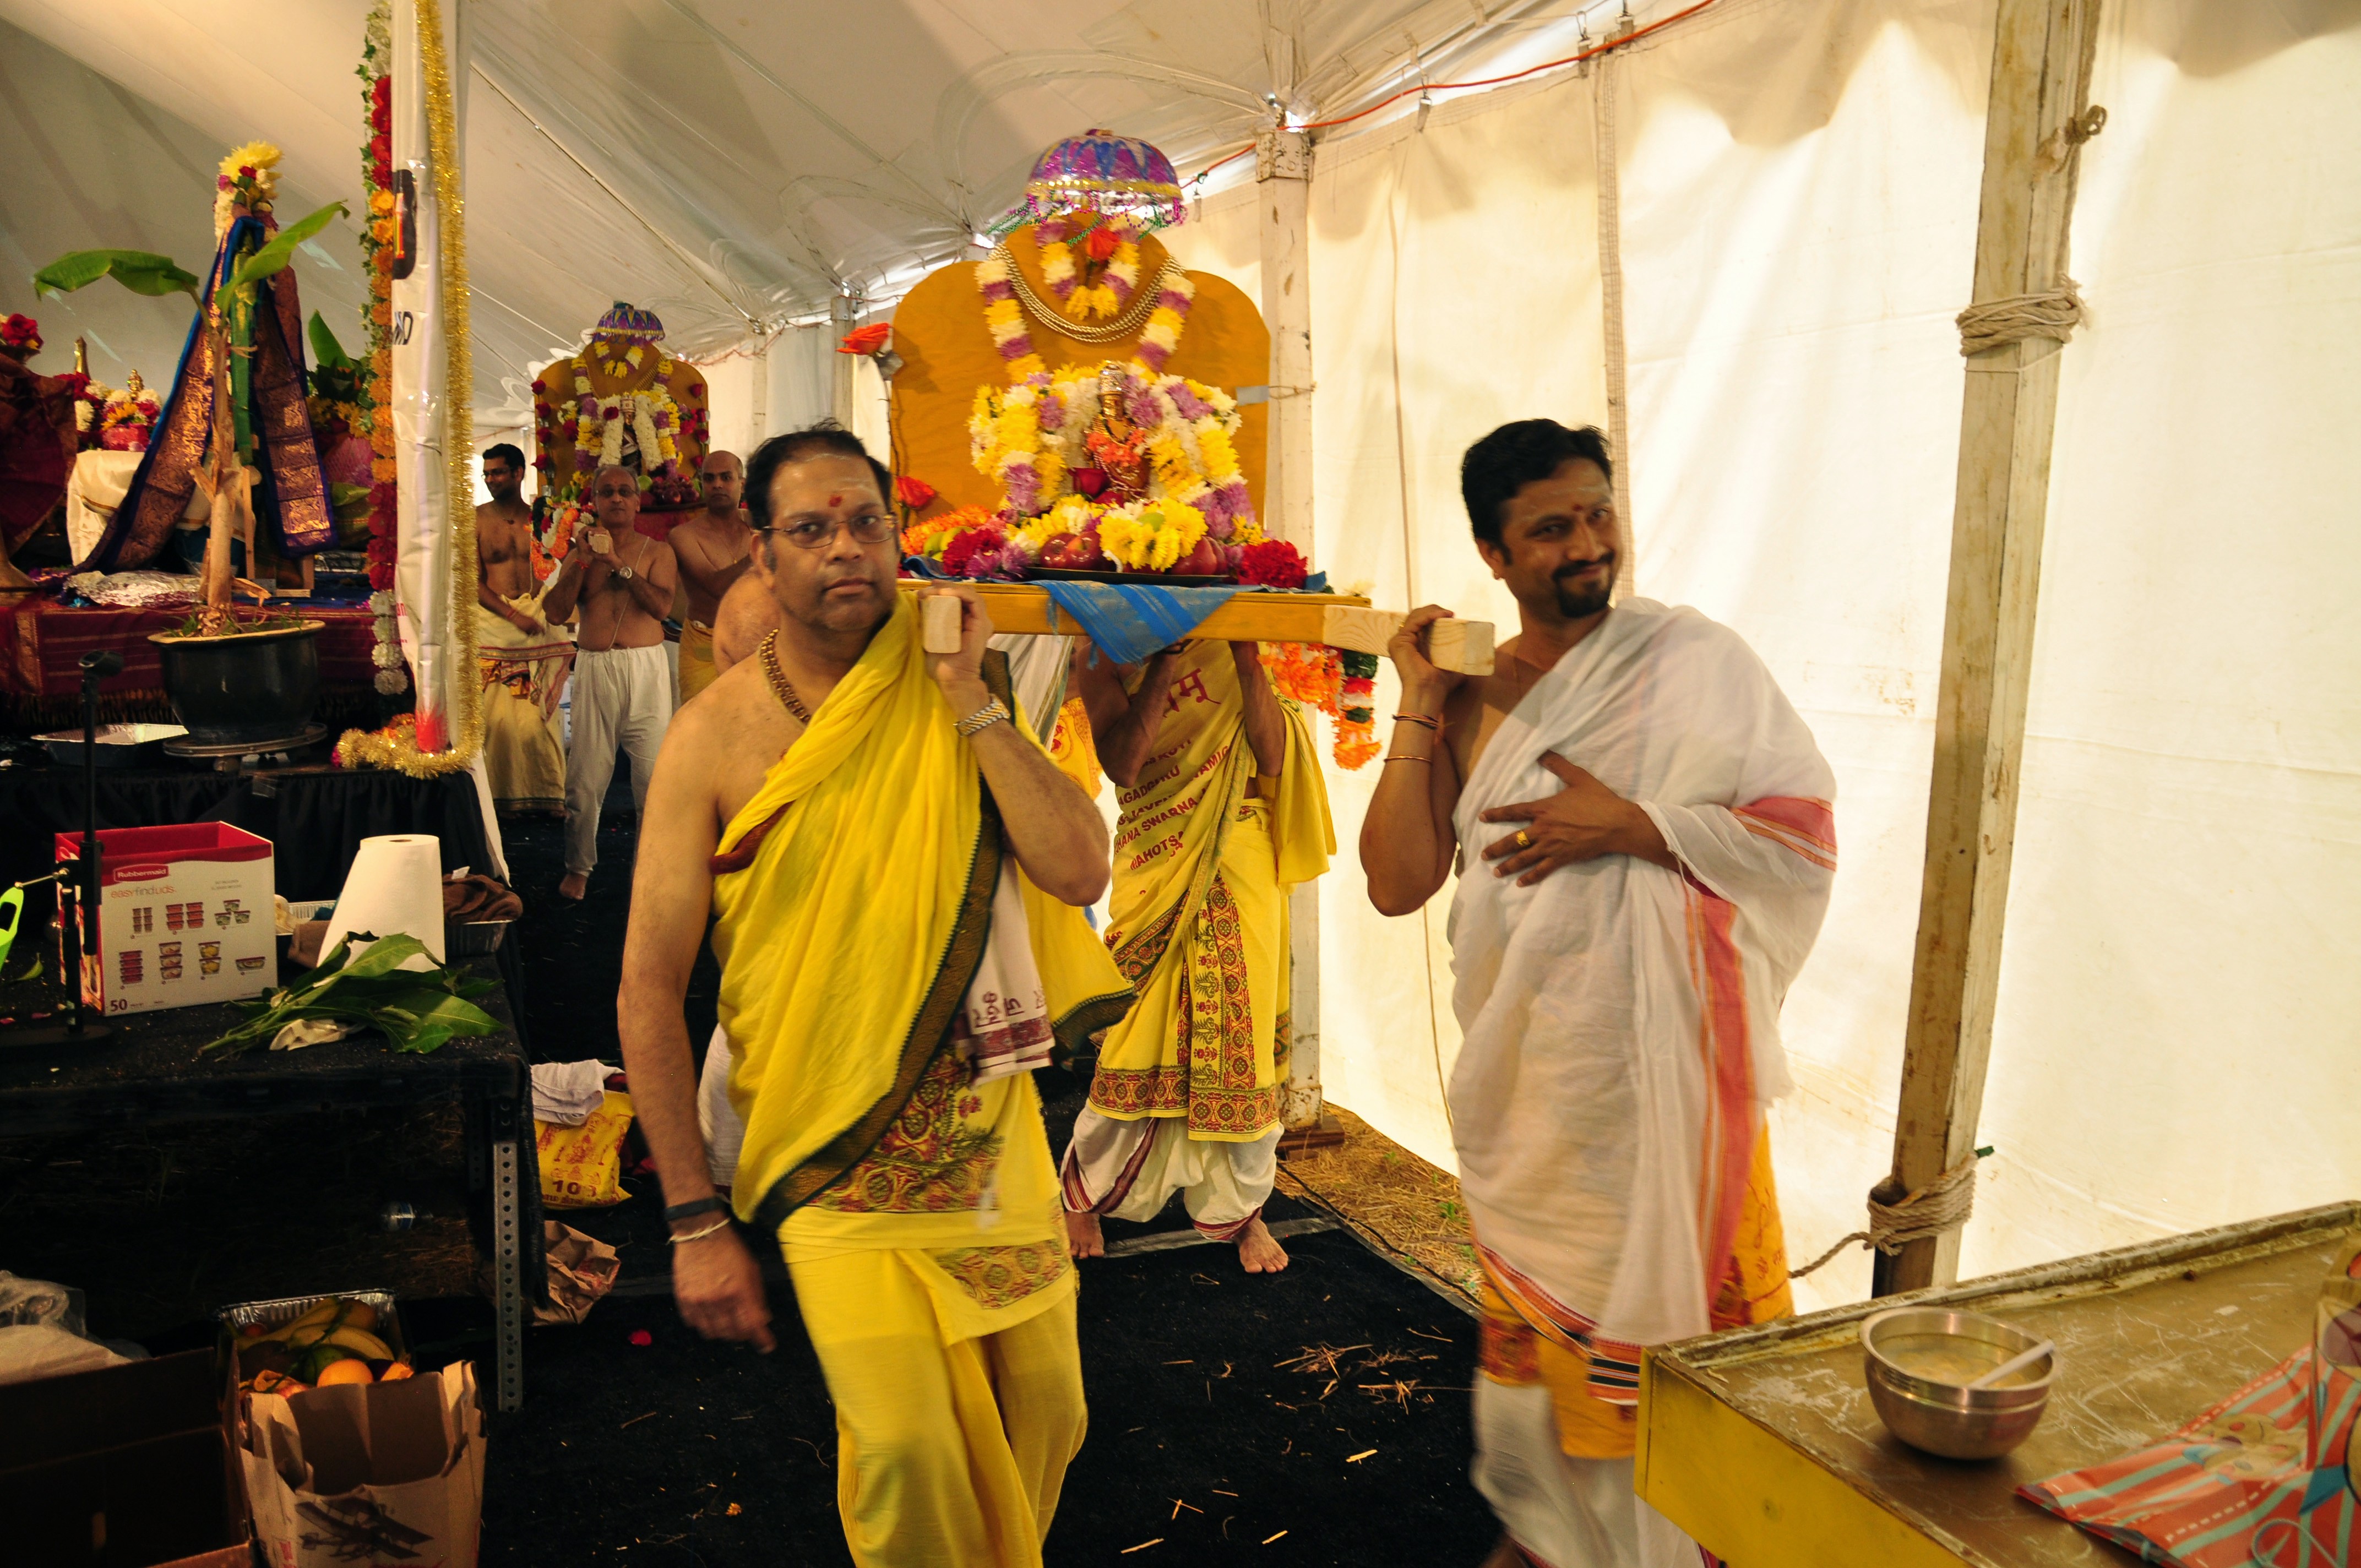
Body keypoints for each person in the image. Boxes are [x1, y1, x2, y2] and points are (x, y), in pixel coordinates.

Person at [617, 424, 1130, 1568]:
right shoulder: (710, 738)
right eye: (810, 529)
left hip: (986, 1137)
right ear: (763, 555)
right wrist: (694, 1217)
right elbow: (648, 985)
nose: (844, 548)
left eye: (864, 523)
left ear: (896, 536)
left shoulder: (960, 680)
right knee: (903, 1446)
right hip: (828, 1145)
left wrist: (969, 700)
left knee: (1049, 1412)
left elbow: (1079, 869)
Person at [1357, 420, 1835, 1568]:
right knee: (1545, 1352)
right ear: (1492, 554)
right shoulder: (1467, 694)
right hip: (1538, 1076)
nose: (1586, 543)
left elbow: (1800, 836)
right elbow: (1395, 880)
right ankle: (1559, 1535)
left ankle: (1686, 1542)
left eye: (1596, 513)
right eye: (1548, 528)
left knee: (1689, 1357)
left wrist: (1633, 823)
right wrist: (1416, 700)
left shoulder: (1696, 662)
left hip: (1676, 1079)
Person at [1059, 636, 1334, 1273]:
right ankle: (1083, 1197)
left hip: (1242, 850)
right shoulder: (1102, 649)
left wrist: (1245, 659)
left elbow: (1272, 756)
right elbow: (1124, 766)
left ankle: (1242, 1211)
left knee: (1242, 1040)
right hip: (1157, 854)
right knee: (1133, 1041)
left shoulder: (1242, 636)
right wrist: (1163, 663)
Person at [541, 464, 677, 901]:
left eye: (624, 491)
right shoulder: (579, 555)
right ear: (596, 503)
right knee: (584, 780)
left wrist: (619, 566)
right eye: (607, 492)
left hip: (647, 670)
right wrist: (583, 561)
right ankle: (578, 867)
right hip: (597, 667)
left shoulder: (658, 552)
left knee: (653, 780)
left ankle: (650, 870)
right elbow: (555, 612)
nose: (616, 498)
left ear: (637, 502)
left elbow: (661, 608)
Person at [474, 443, 572, 815]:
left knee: (537, 723)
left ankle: (545, 796)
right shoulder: (475, 519)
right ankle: (496, 801)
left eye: (498, 472)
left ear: (518, 473)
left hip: (538, 625)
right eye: (487, 474)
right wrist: (512, 616)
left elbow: (565, 563)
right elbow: (472, 581)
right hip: (495, 631)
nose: (491, 480)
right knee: (495, 722)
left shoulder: (544, 519)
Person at [668, 450, 751, 704]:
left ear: (742, 484)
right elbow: (716, 587)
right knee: (703, 725)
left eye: (726, 477)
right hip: (704, 649)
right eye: (709, 478)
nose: (717, 484)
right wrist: (764, 548)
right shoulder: (683, 535)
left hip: (755, 643)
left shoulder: (756, 525)